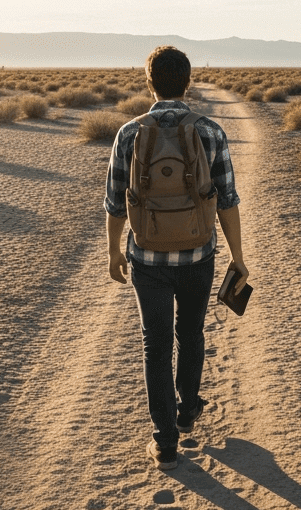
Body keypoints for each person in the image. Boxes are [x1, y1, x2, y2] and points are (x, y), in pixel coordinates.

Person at [105, 46, 248, 471]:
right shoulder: (210, 131)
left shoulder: (129, 133)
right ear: (189, 82)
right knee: (191, 332)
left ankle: (165, 441)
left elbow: (115, 201)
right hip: (198, 255)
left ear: (148, 82)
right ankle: (187, 411)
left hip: (147, 259)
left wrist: (114, 251)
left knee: (156, 345)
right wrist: (238, 257)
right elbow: (227, 199)